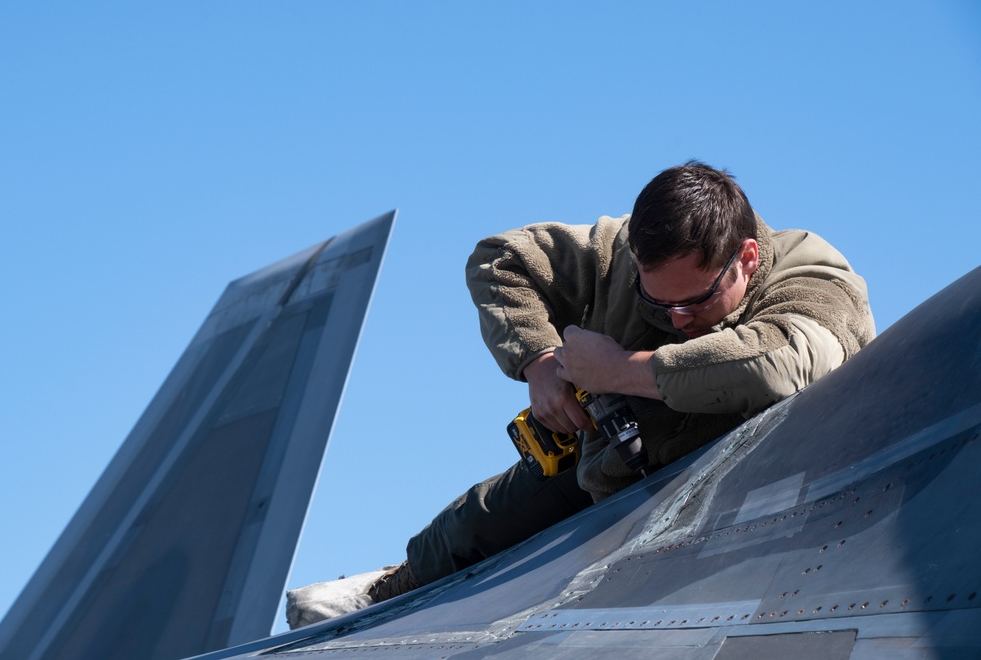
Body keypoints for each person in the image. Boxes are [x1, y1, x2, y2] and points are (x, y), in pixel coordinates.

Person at [286, 161, 875, 628]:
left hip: (754, 481)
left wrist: (619, 370)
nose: (676, 318)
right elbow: (500, 260)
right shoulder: (613, 254)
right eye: (657, 301)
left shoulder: (812, 276)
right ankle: (390, 590)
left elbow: (784, 362)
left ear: (746, 257)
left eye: (694, 303)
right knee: (475, 526)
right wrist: (538, 359)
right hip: (614, 467)